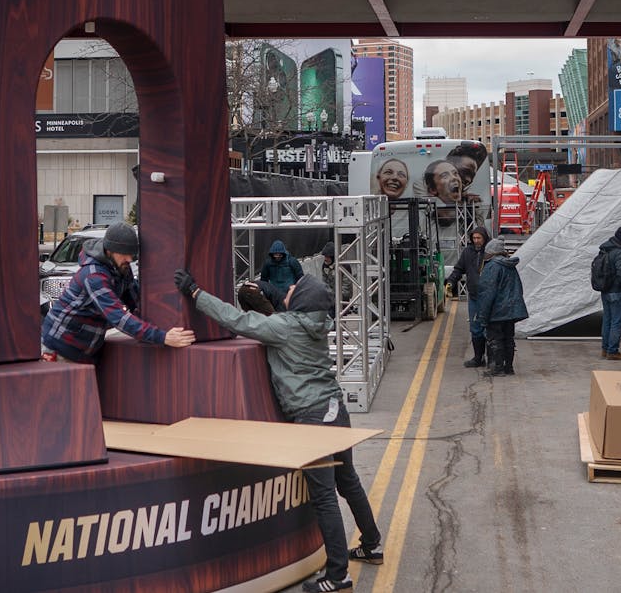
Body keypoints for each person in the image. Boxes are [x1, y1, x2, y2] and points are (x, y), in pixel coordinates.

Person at [175, 270, 382, 593]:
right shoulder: (314, 324)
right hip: (334, 409)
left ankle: (338, 575)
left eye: (294, 288)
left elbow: (235, 320)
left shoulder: (284, 328)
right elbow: (282, 315)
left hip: (311, 418)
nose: (289, 288)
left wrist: (196, 293)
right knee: (348, 480)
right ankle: (371, 544)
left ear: (299, 301)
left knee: (325, 497)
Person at [41, 221, 195, 363]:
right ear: (109, 250)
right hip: (59, 348)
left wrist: (167, 321)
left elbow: (138, 302)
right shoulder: (94, 276)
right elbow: (119, 317)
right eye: (124, 253)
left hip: (84, 351)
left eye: (132, 254)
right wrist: (163, 337)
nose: (129, 259)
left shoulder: (122, 269)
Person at [473, 238, 527, 377]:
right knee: (509, 339)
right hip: (511, 311)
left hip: (497, 311)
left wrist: (483, 316)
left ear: (491, 252)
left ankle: (498, 368)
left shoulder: (492, 267)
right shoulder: (510, 266)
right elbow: (518, 289)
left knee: (495, 339)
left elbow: (487, 293)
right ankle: (509, 368)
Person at [449, 226, 491, 365]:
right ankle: (478, 358)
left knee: (489, 328)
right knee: (475, 327)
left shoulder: (490, 252)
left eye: (479, 238)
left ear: (485, 238)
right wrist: (450, 282)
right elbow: (459, 269)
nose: (476, 241)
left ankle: (492, 359)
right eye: (474, 238)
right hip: (474, 296)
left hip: (489, 297)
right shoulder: (468, 252)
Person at [596, 227, 621, 361]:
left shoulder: (604, 250)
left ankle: (605, 349)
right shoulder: (619, 253)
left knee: (607, 320)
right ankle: (613, 351)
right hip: (616, 291)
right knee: (617, 322)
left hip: (605, 290)